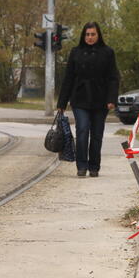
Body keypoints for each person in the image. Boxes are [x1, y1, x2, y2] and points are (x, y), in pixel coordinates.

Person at [57, 22, 119, 178]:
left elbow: (113, 78)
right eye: (87, 34)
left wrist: (111, 99)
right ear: (83, 36)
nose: (90, 37)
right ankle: (82, 165)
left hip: (101, 100)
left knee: (97, 134)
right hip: (80, 99)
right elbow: (68, 78)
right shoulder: (76, 52)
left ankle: (94, 167)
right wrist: (61, 104)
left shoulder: (108, 52)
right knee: (83, 130)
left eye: (93, 34)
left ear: (98, 35)